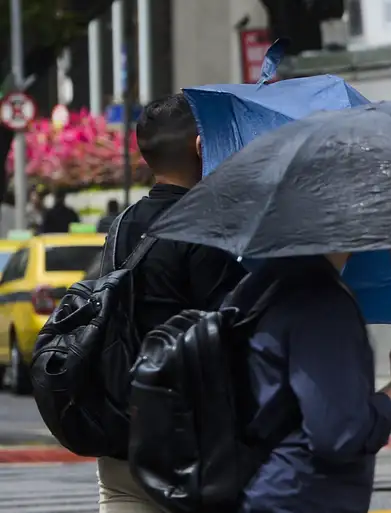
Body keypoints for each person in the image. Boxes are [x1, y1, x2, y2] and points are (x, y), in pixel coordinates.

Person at [97, 93, 246, 512]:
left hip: (121, 431)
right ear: (202, 146)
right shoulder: (207, 230)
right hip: (188, 441)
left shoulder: (121, 225)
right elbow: (232, 333)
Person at [238, 254, 391, 513]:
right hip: (302, 498)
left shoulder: (264, 284)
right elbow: (337, 433)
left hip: (266, 489)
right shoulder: (322, 302)